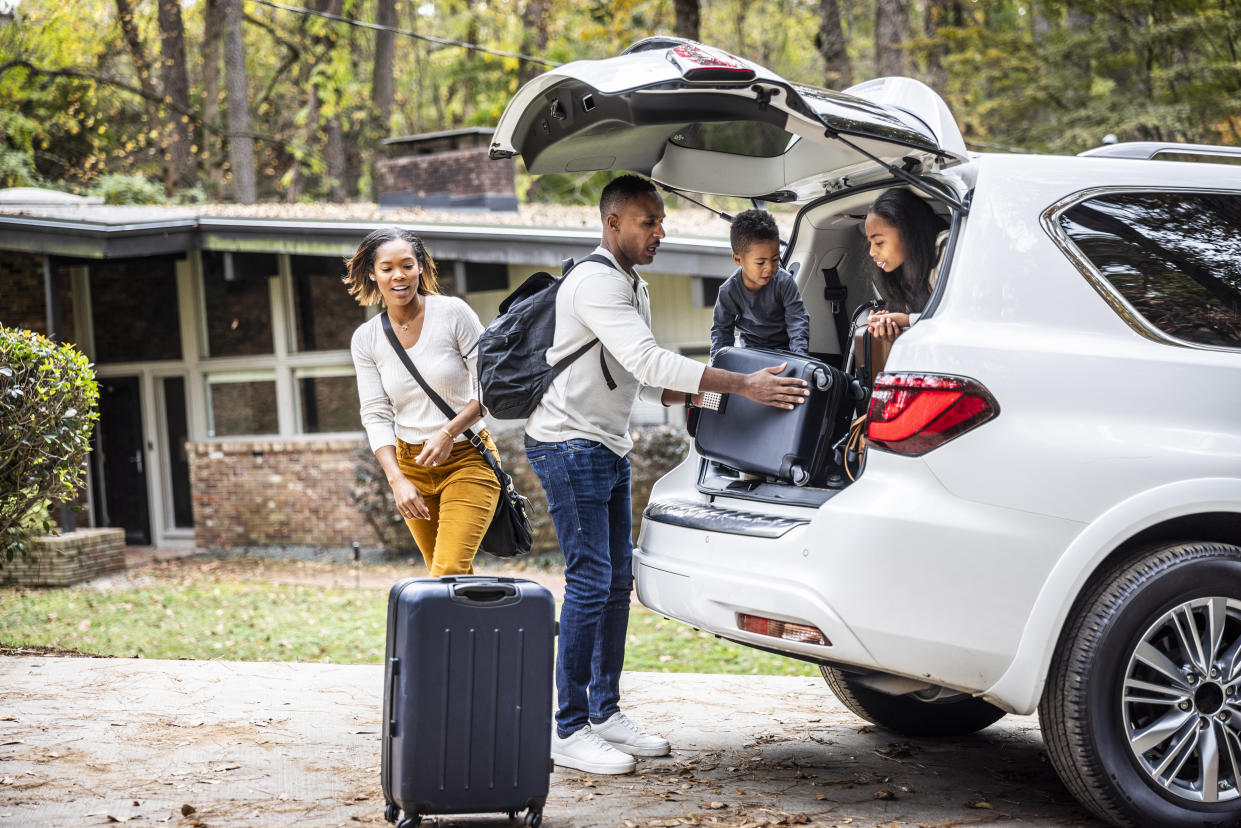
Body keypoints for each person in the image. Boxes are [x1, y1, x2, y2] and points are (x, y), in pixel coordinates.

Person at [524, 174, 810, 776]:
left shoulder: (633, 285)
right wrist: (743, 382)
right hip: (566, 444)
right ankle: (567, 727)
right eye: (647, 221)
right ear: (612, 225)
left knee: (616, 578)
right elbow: (649, 359)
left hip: (605, 443)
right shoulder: (595, 282)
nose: (661, 230)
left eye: (660, 219)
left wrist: (721, 405)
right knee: (589, 579)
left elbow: (645, 379)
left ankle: (604, 712)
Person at [346, 226, 501, 577]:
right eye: (387, 268)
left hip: (467, 457)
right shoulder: (366, 340)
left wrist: (449, 432)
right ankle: (469, 632)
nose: (399, 275)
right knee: (443, 577)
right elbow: (374, 413)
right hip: (411, 467)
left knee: (447, 570)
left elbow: (492, 386)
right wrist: (396, 479)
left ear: (420, 267)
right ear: (373, 274)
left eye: (407, 265)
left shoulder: (452, 313)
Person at [709, 209, 810, 357]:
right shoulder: (729, 291)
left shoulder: (784, 283)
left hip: (786, 351)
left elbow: (797, 322)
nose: (769, 268)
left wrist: (800, 357)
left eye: (775, 259)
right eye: (760, 262)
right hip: (751, 352)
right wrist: (719, 364)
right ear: (738, 260)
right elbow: (721, 331)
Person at [863, 188, 948, 343]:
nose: (872, 252)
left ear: (908, 231)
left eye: (879, 242)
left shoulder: (946, 251)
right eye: (870, 243)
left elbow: (953, 320)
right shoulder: (902, 270)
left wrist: (908, 321)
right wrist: (893, 327)